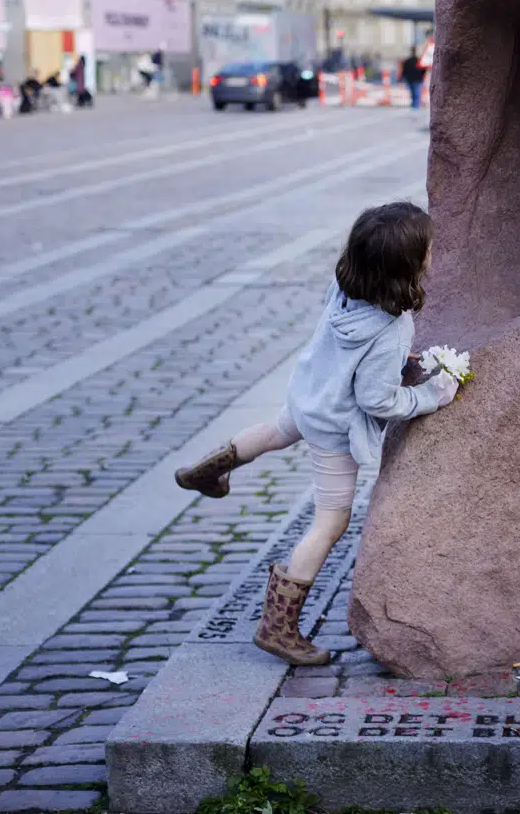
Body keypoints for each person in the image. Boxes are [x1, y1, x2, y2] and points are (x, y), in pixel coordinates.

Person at [172, 202, 462, 665]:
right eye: (428, 249)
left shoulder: (345, 288)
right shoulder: (393, 327)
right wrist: (434, 396)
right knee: (330, 522)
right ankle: (278, 626)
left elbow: (353, 358)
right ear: (408, 266)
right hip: (334, 427)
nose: (433, 253)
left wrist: (395, 368)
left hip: (308, 395)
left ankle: (210, 469)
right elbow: (377, 400)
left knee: (275, 431)